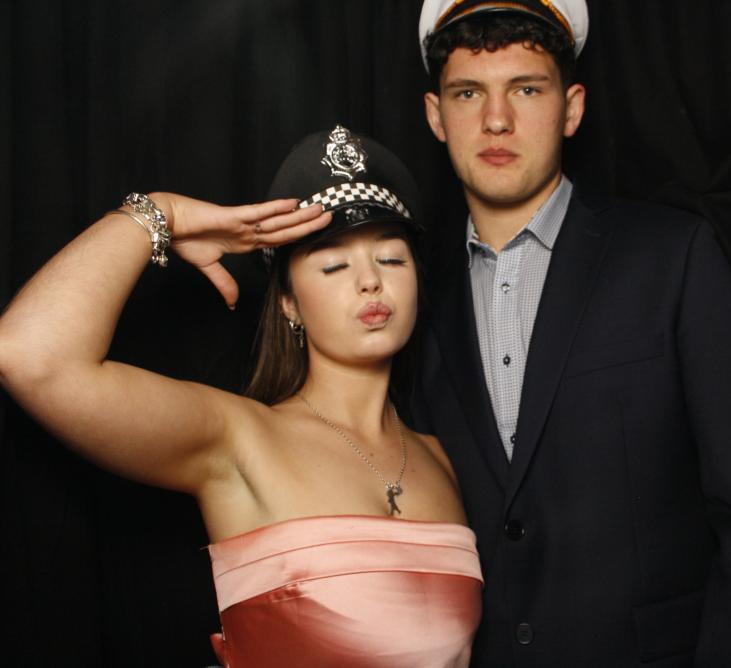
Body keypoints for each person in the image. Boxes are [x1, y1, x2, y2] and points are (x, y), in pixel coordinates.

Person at [411, 1, 731, 666]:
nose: (496, 120)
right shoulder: (418, 303)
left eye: (526, 89)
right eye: (468, 93)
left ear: (572, 108)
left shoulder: (672, 258)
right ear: (435, 116)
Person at [0, 126, 483, 667]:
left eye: (392, 259)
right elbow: (29, 355)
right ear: (288, 304)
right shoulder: (238, 439)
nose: (370, 281)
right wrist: (162, 214)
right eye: (333, 264)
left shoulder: (444, 459)